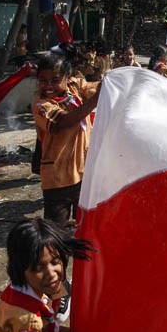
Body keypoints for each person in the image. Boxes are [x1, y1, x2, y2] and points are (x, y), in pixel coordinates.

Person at [33, 52, 100, 226]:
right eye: (42, 80)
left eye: (54, 80)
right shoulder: (40, 104)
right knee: (56, 229)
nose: (48, 86)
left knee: (84, 224)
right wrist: (93, 102)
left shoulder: (73, 87)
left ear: (66, 77)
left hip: (82, 173)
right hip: (57, 179)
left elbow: (96, 88)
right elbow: (64, 121)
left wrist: (112, 82)